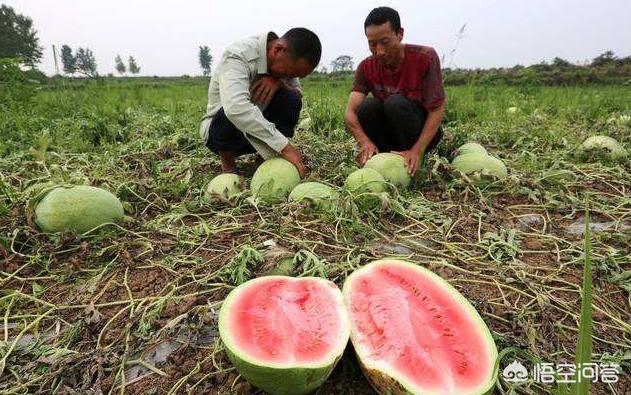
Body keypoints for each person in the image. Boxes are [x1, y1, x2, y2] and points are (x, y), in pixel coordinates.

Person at [199, 28, 322, 177]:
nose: (290, 77)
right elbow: (235, 108)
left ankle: (262, 160)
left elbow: (297, 93)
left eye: (295, 75)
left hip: (257, 134)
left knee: (291, 99)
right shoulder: (238, 55)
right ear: (278, 50)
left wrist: (279, 83)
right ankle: (228, 165)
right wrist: (284, 147)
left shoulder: (286, 62)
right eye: (290, 73)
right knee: (235, 109)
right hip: (219, 133)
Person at [344, 7, 446, 176]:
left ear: (400, 34)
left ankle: (411, 157)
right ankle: (383, 155)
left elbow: (436, 110)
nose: (379, 51)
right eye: (372, 44)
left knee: (395, 103)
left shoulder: (425, 57)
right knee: (366, 107)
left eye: (385, 42)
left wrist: (417, 151)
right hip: (391, 134)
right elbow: (350, 113)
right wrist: (364, 142)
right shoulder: (366, 67)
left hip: (420, 134)